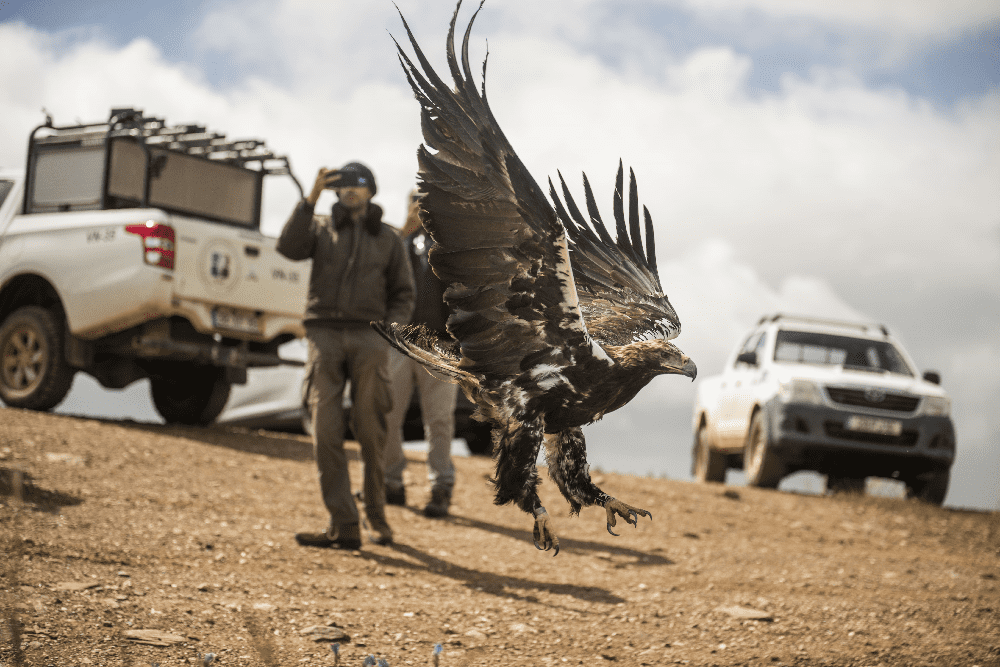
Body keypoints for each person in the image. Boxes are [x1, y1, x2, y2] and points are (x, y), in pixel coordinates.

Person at [277, 162, 415, 549]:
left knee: (372, 433)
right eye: (343, 185)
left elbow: (404, 294)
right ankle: (344, 525)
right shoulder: (319, 227)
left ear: (371, 190)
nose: (350, 191)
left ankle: (375, 515)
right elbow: (288, 248)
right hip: (324, 336)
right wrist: (311, 196)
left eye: (358, 185)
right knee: (325, 431)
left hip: (370, 339)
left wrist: (390, 334)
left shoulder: (388, 239)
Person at [383, 192, 459, 518]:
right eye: (414, 200)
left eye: (426, 200)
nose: (419, 205)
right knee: (387, 414)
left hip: (438, 346)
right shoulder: (397, 245)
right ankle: (390, 483)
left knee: (439, 420)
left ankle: (440, 486)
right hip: (399, 342)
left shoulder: (451, 247)